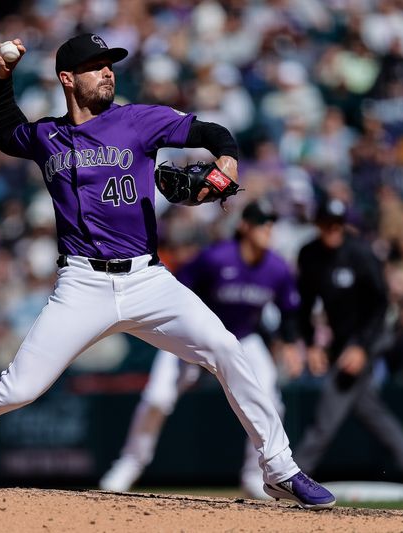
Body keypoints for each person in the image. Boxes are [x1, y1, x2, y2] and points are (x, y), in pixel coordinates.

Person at [0, 33, 335, 510]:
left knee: (227, 349)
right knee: (19, 388)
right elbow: (7, 131)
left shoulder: (139, 121)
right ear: (66, 79)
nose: (107, 73)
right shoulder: (48, 136)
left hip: (147, 281)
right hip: (82, 284)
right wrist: (0, 77)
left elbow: (210, 132)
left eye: (110, 65)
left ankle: (279, 468)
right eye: (95, 67)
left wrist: (225, 160)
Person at [99, 200, 305, 498]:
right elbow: (174, 291)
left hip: (242, 339)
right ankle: (129, 464)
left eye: (271, 223)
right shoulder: (215, 258)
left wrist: (289, 344)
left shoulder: (276, 267)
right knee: (157, 398)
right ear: (244, 226)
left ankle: (254, 475)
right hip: (192, 337)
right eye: (262, 222)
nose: (268, 229)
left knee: (271, 399)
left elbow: (289, 311)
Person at [293, 198, 403, 496]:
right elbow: (305, 304)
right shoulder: (309, 255)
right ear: (318, 224)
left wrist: (361, 347)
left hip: (370, 335)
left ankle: (293, 473)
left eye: (337, 223)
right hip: (340, 339)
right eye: (327, 223)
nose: (333, 230)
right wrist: (311, 345)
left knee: (328, 411)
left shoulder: (359, 253)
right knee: (368, 408)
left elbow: (380, 305)